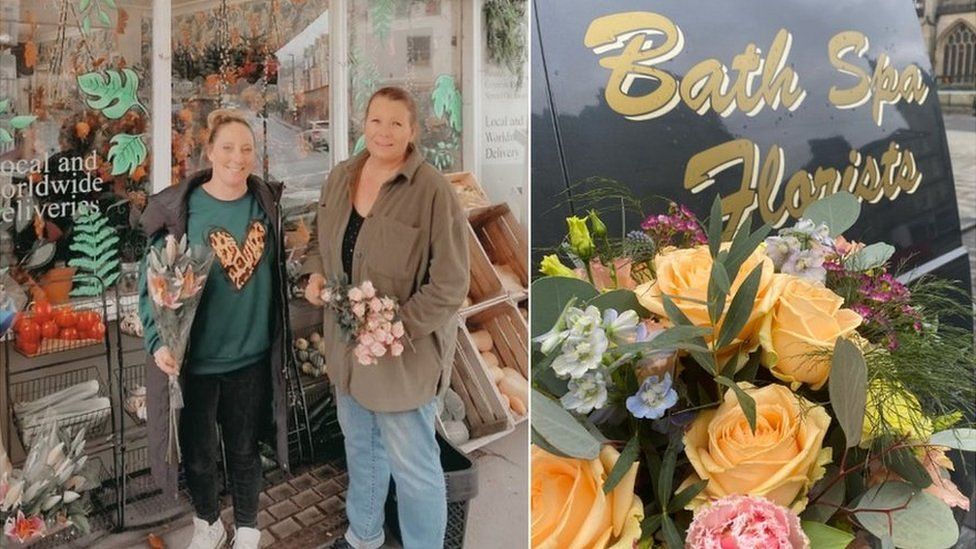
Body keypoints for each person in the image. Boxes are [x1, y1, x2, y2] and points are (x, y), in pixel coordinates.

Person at [303, 87, 469, 549]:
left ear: (413, 131)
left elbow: (452, 283)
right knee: (361, 450)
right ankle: (364, 537)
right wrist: (314, 277)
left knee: (414, 467)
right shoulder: (340, 178)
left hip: (403, 358)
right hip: (346, 351)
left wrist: (398, 326)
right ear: (364, 123)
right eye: (377, 120)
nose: (384, 131)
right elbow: (320, 243)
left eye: (397, 123)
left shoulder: (432, 190)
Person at [138, 110, 291, 549]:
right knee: (200, 456)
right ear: (208, 152)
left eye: (246, 149)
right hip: (198, 361)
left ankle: (247, 527)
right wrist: (157, 340)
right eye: (227, 147)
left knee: (244, 450)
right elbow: (149, 284)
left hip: (250, 358)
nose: (237, 157)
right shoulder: (180, 209)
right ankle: (208, 523)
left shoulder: (265, 205)